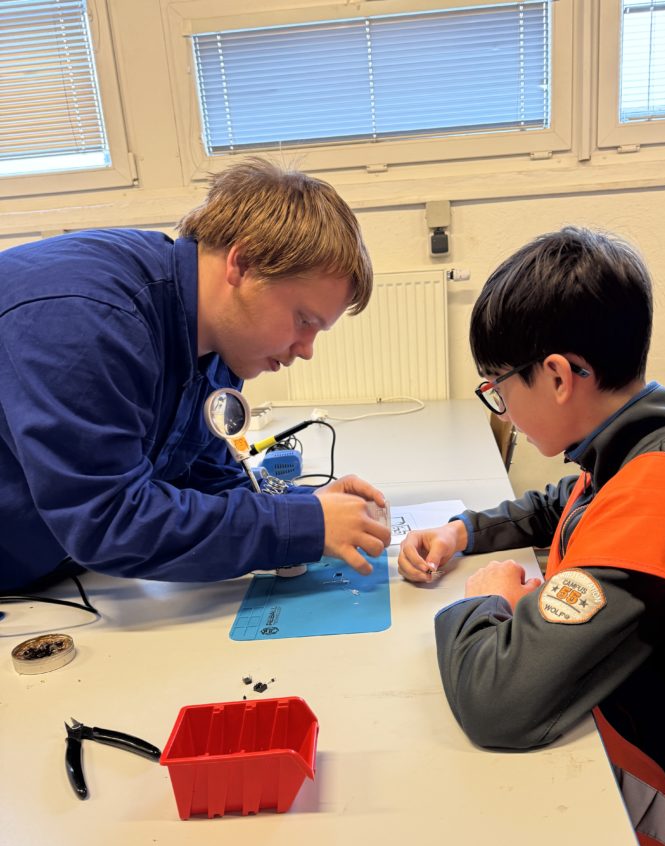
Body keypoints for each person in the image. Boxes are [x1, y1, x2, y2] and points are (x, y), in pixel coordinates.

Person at [398, 226, 665, 846]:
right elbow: (563, 502)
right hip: (635, 752)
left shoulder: (661, 497)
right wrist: (467, 529)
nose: (503, 408)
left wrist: (486, 601)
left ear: (559, 376)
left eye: (500, 388)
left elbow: (498, 700)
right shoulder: (643, 443)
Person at [0, 158, 390, 592]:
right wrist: (305, 525)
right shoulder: (89, 319)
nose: (306, 350)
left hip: (53, 563)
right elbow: (107, 519)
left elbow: (203, 479)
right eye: (303, 320)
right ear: (243, 265)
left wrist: (313, 505)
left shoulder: (216, 347)